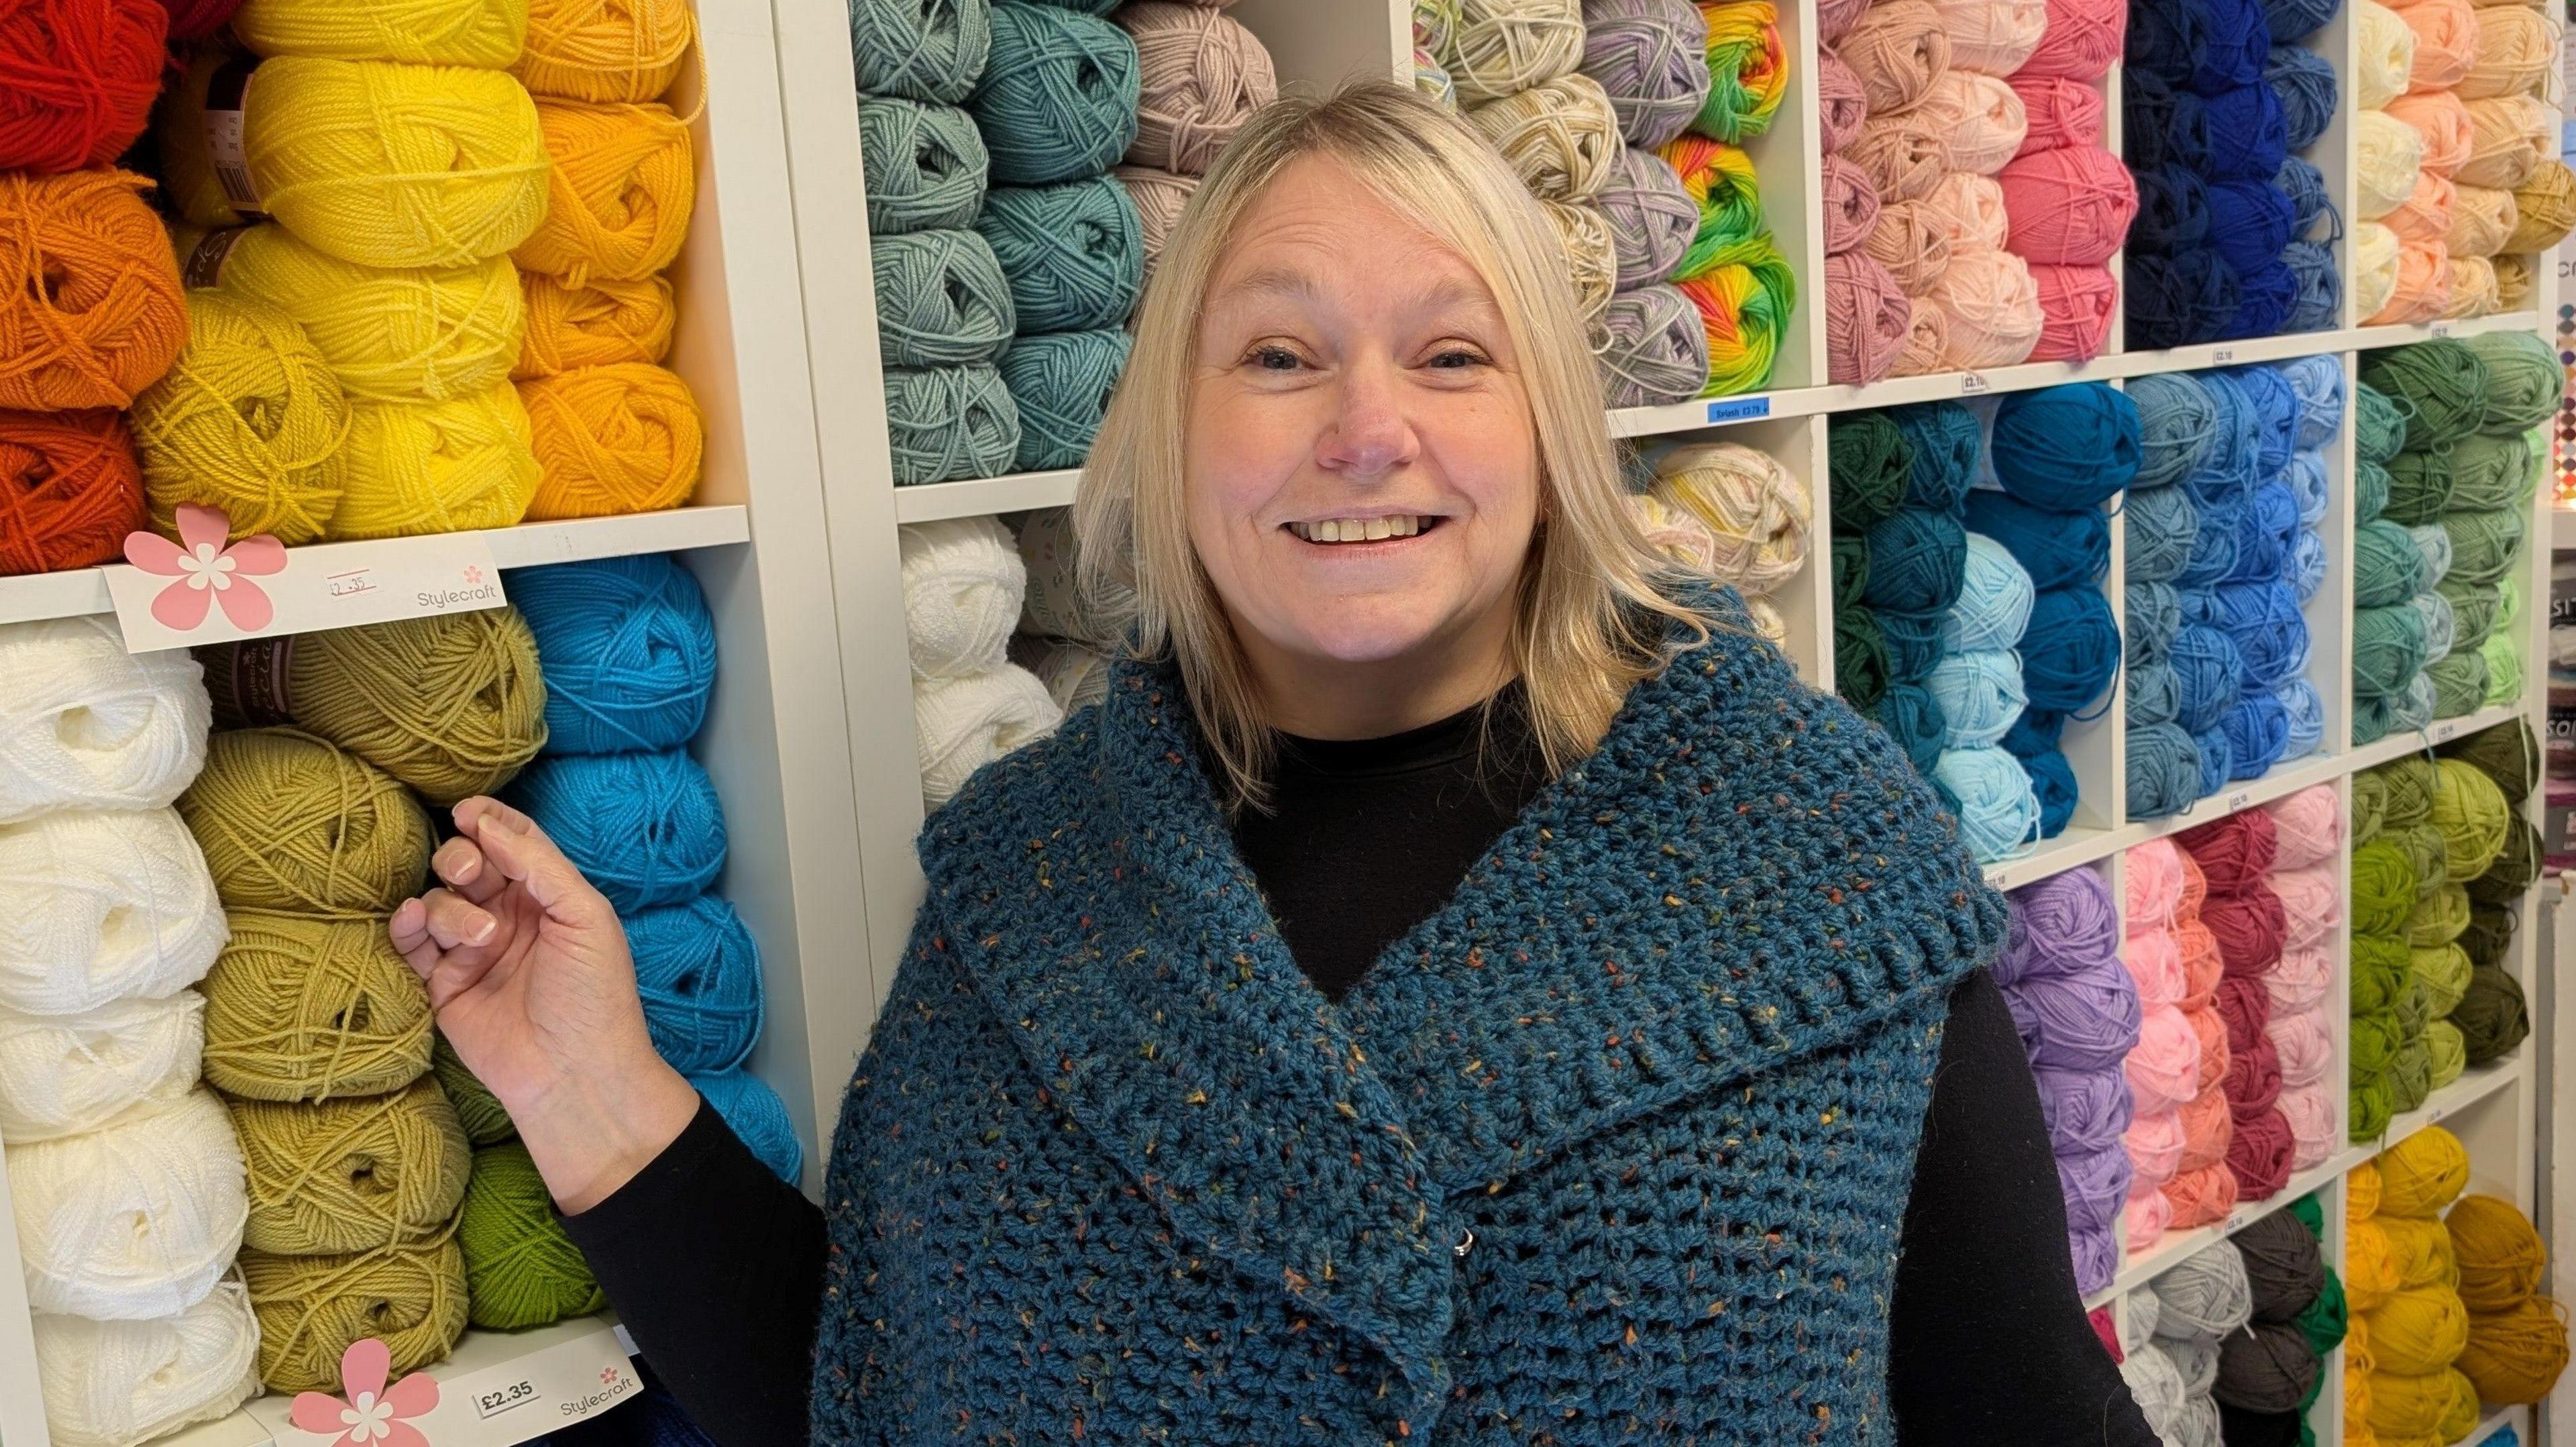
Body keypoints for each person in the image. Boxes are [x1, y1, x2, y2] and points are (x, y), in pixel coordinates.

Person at [392, 82, 2153, 1447]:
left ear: (1548, 426)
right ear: (1177, 421)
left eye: (1452, 354)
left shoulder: (1814, 871)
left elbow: (2034, 1418)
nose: (1366, 425)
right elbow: (872, 1390)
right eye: (1280, 352)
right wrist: (594, 1092)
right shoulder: (1030, 894)